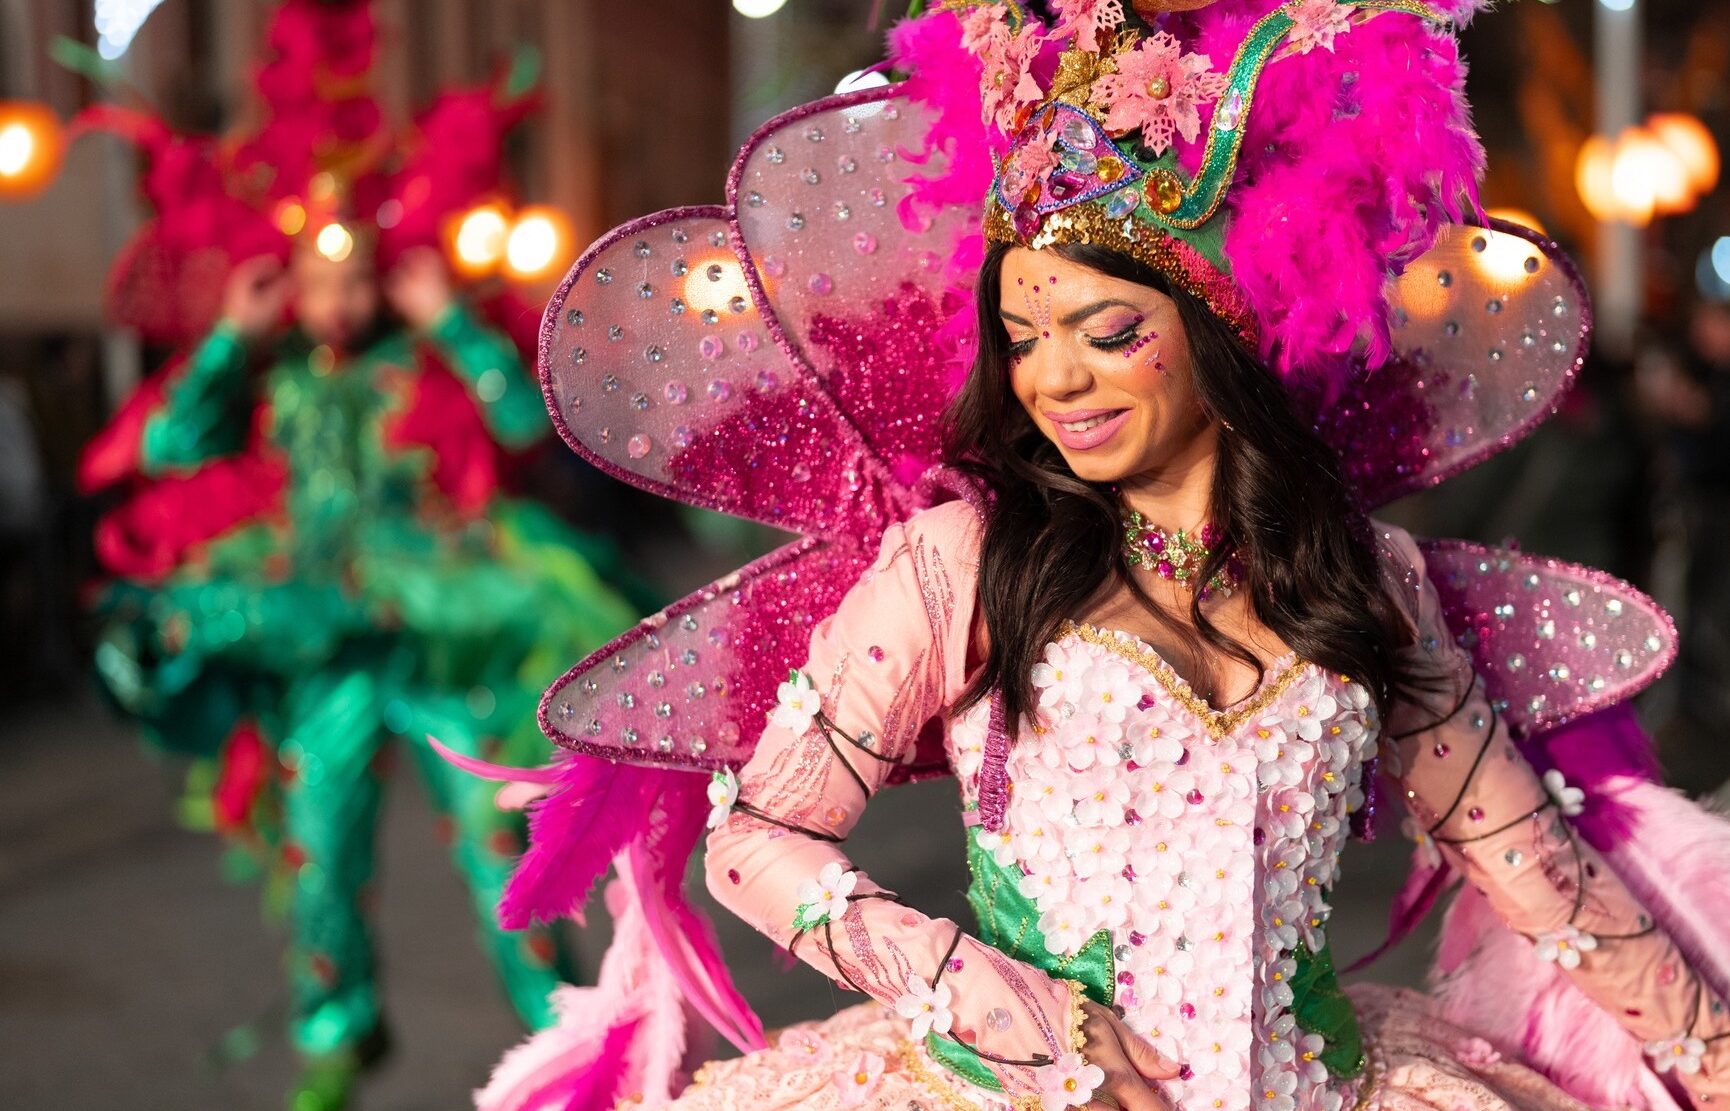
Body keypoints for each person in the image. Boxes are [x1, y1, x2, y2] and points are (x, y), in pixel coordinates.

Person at [459, 2, 1730, 1110]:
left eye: (1105, 330)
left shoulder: (1366, 575)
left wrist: (1710, 1048)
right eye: (1021, 337)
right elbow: (754, 838)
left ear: (1216, 332)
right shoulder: (961, 562)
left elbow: (1540, 875)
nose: (1054, 379)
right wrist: (968, 986)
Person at [74, 3, 643, 1109]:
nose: (333, 298)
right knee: (319, 850)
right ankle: (339, 1025)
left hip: (441, 641)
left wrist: (446, 322)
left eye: (353, 275)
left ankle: (567, 1040)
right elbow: (167, 447)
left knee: (497, 847)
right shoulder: (270, 371)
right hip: (321, 644)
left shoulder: (418, 358)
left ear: (385, 271)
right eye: (311, 278)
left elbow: (528, 429)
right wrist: (231, 343)